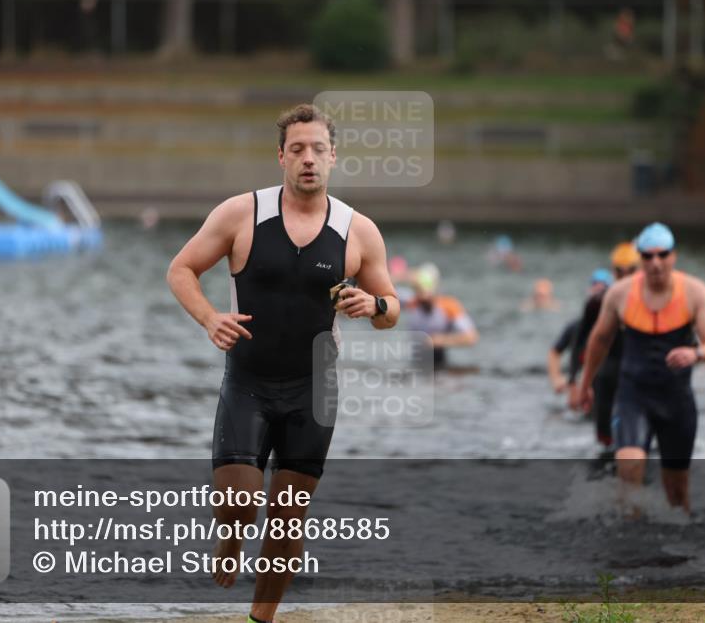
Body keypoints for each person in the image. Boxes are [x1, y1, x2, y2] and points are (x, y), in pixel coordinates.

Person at [167, 104, 400, 623]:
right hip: (247, 382)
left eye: (318, 149)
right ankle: (229, 541)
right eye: (297, 149)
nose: (308, 159)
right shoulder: (240, 214)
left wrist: (374, 305)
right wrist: (209, 318)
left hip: (313, 390)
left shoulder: (358, 231)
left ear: (333, 157)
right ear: (281, 157)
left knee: (287, 521)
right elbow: (181, 269)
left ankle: (260, 618)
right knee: (241, 501)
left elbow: (393, 310)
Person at [575, 223, 705, 512]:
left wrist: (697, 353)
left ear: (673, 256)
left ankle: (679, 549)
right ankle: (631, 546)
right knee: (629, 476)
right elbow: (598, 341)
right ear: (640, 259)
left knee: (677, 494)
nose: (655, 263)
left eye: (662, 255)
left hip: (676, 403)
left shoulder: (694, 292)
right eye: (648, 256)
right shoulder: (620, 294)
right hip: (633, 398)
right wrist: (585, 386)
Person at [567, 244, 641, 451]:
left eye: (631, 270)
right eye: (619, 271)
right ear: (613, 270)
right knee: (605, 441)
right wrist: (575, 381)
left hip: (638, 376)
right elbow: (579, 341)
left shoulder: (652, 300)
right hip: (605, 374)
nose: (625, 276)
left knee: (637, 441)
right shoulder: (597, 302)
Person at [548, 269, 612, 396]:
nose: (598, 293)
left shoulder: (617, 328)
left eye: (603, 289)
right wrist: (556, 379)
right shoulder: (576, 327)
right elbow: (554, 352)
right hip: (580, 386)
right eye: (595, 287)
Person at [403, 263, 479, 368]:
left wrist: (439, 340)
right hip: (417, 360)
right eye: (417, 290)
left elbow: (471, 337)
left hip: (439, 360)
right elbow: (383, 292)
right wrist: (402, 276)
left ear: (435, 288)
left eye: (424, 289)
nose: (422, 296)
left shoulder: (449, 306)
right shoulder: (411, 302)